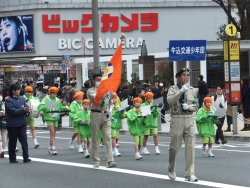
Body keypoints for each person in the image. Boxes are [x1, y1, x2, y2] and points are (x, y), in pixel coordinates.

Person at [167, 68, 198, 182]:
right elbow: (170, 101)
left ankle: (189, 173)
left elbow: (196, 104)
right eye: (184, 75)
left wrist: (189, 107)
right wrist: (180, 91)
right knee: (174, 147)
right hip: (177, 119)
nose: (186, 77)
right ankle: (171, 168)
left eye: (188, 75)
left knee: (190, 147)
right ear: (178, 77)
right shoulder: (172, 89)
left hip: (189, 119)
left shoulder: (192, 90)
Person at [87, 73, 116, 168]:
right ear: (94, 81)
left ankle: (110, 160)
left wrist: (111, 109)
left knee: (108, 138)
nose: (100, 81)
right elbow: (97, 98)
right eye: (98, 80)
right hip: (95, 114)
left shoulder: (107, 91)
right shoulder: (90, 91)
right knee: (95, 139)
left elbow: (111, 102)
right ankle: (96, 161)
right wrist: (105, 91)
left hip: (106, 115)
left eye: (101, 79)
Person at [38, 86, 69, 155]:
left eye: (55, 93)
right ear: (50, 93)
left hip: (56, 117)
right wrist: (48, 106)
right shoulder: (46, 99)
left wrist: (65, 108)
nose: (54, 95)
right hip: (49, 117)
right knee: (52, 132)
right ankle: (53, 148)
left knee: (54, 133)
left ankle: (50, 147)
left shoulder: (57, 100)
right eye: (52, 93)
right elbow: (40, 107)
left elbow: (60, 107)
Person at [5, 83, 31, 163]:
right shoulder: (8, 100)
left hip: (22, 122)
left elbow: (25, 106)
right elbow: (12, 111)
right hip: (12, 124)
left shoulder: (21, 98)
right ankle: (12, 158)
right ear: (13, 91)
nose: (19, 91)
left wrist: (27, 111)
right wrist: (22, 110)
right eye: (18, 90)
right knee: (13, 141)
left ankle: (26, 157)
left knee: (24, 140)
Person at [0, 89, 6, 158]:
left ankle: (3, 149)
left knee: (4, 137)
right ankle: (1, 150)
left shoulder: (3, 103)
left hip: (3, 121)